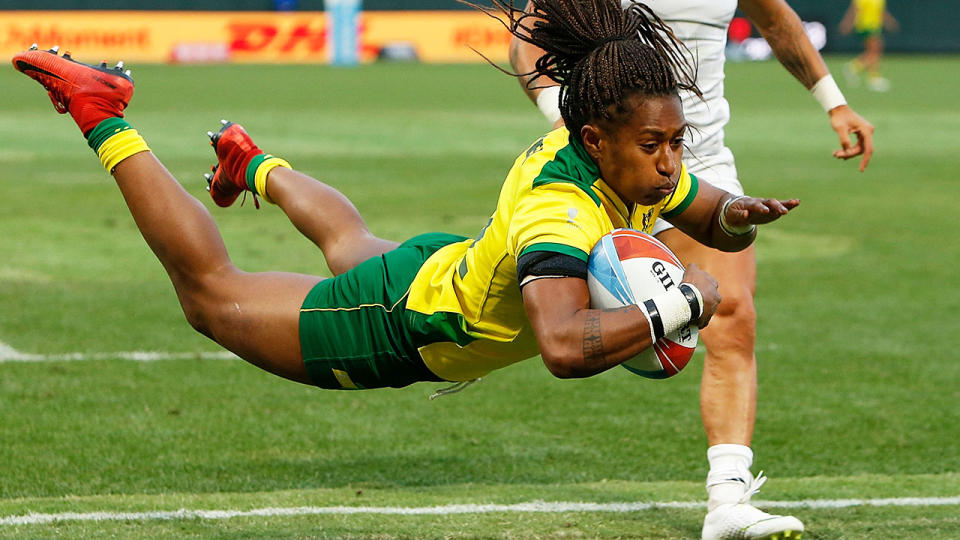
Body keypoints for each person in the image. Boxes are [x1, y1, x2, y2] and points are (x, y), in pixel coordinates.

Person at [14, 0, 797, 534]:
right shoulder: (559, 211)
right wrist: (676, 307)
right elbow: (563, 347)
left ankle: (251, 162)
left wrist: (738, 216)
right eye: (657, 147)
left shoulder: (629, 162)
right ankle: (102, 112)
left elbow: (705, 214)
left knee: (354, 246)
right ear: (595, 140)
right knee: (213, 298)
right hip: (404, 326)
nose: (670, 165)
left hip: (444, 270)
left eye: (677, 145)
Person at [510, 1, 873, 538]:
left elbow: (775, 22)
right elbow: (527, 39)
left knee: (732, 314)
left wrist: (835, 103)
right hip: (609, 157)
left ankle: (728, 499)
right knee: (541, 322)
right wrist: (570, 122)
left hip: (700, 160)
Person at [840, 0, 899, 92]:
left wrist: (889, 21)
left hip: (874, 26)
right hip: (865, 26)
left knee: (873, 51)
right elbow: (854, 10)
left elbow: (880, 12)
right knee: (875, 50)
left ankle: (870, 76)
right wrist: (848, 23)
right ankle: (854, 68)